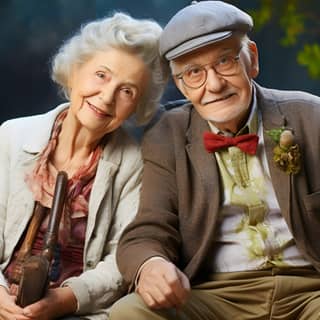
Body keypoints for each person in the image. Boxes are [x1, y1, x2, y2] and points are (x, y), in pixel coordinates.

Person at [109, 1, 320, 319]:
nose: (215, 85)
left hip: (311, 289)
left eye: (225, 62)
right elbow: (149, 229)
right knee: (130, 312)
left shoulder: (310, 115)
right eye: (194, 72)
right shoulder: (167, 133)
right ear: (179, 84)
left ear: (252, 60)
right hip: (216, 295)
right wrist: (151, 265)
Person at [0, 12, 168, 320]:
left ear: (138, 106)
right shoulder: (10, 137)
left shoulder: (135, 164)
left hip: (75, 312)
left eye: (127, 91)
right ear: (75, 71)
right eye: (101, 75)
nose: (106, 98)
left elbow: (122, 258)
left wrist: (63, 301)